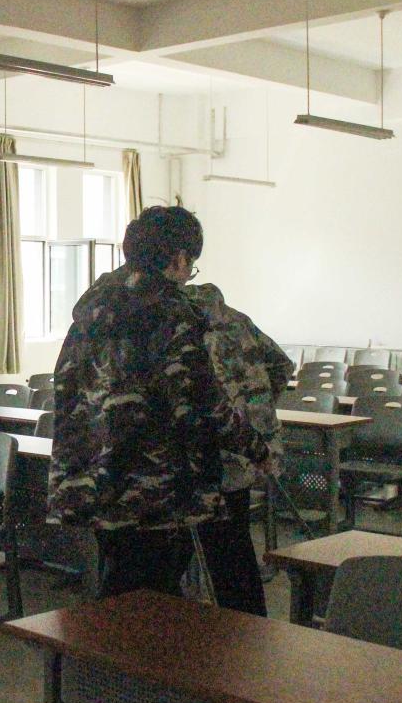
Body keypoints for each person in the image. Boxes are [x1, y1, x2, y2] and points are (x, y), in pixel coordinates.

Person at [49, 206, 246, 606]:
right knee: (151, 599)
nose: (188, 275)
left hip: (96, 480)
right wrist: (252, 446)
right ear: (178, 258)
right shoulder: (173, 314)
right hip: (155, 488)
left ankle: (105, 648)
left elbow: (65, 388)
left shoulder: (90, 313)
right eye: (190, 265)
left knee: (122, 584)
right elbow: (202, 400)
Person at [184, 282, 294, 615]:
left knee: (222, 547)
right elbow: (282, 365)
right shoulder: (238, 320)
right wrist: (258, 406)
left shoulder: (190, 328)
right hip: (249, 445)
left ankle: (233, 623)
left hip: (218, 448)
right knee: (236, 543)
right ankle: (249, 623)